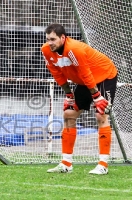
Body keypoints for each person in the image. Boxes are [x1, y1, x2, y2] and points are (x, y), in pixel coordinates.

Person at [41, 23, 117, 175]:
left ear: (63, 38)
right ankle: (66, 163)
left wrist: (96, 97)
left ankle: (103, 165)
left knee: (101, 115)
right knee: (69, 115)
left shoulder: (74, 49)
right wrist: (69, 94)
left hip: (104, 75)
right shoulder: (46, 50)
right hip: (84, 81)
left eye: (53, 39)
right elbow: (57, 73)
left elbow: (85, 73)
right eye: (48, 39)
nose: (50, 43)